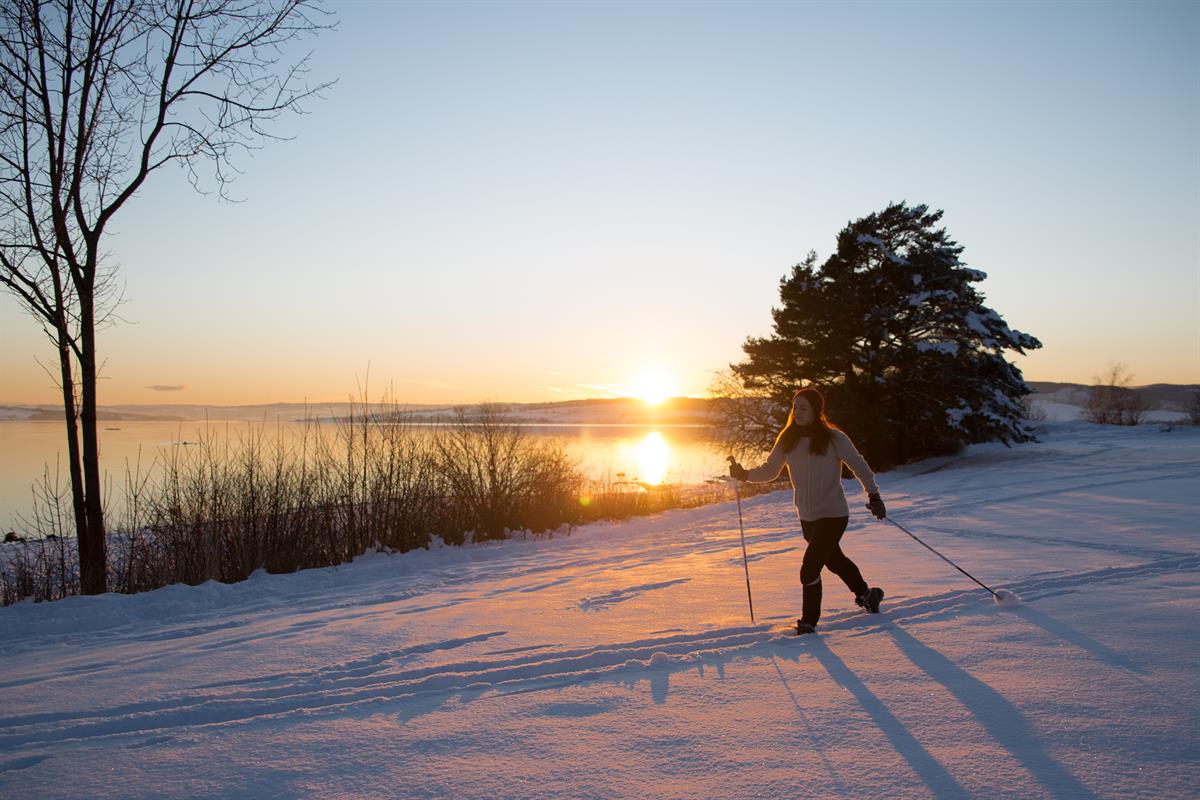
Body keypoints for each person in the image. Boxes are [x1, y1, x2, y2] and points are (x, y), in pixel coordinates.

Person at [728, 387, 887, 635]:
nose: (797, 412)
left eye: (803, 407)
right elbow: (770, 470)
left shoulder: (834, 439)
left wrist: (874, 495)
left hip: (833, 514)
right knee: (835, 561)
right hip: (807, 517)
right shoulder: (788, 439)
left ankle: (808, 622)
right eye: (794, 407)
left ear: (816, 411)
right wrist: (745, 474)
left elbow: (859, 465)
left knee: (810, 568)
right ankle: (867, 595)